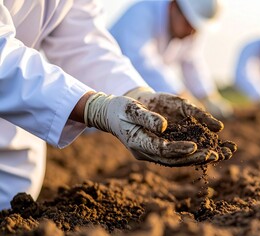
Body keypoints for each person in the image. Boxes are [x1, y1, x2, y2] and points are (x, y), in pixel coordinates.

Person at [0, 0, 235, 210]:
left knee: (15, 199)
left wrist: (134, 92)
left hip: (23, 109)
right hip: (26, 90)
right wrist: (94, 107)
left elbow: (82, 42)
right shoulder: (143, 14)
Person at [109, 0, 233, 119]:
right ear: (173, 6)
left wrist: (208, 96)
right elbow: (142, 62)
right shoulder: (141, 14)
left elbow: (191, 62)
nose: (192, 32)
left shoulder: (187, 30)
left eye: (196, 28)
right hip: (104, 91)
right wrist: (181, 95)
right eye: (189, 23)